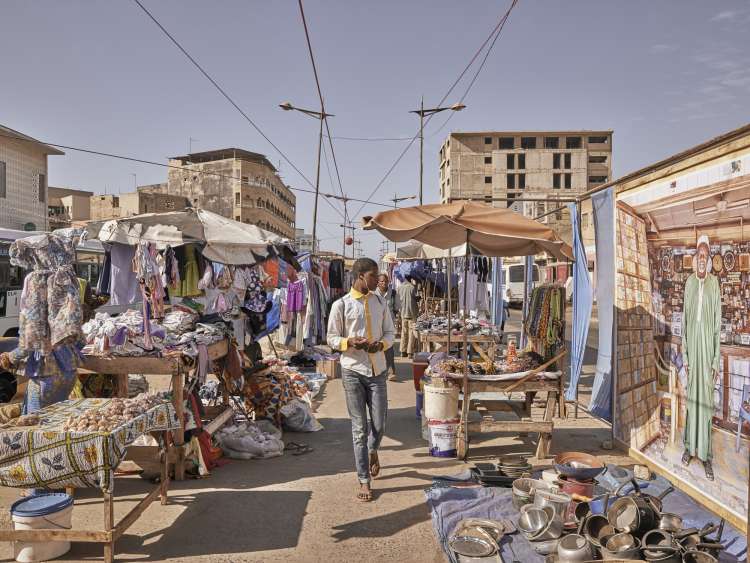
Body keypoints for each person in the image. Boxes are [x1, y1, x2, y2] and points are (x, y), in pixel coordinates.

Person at [327, 258, 395, 502]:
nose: (379, 280)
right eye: (374, 275)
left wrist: (381, 345)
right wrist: (348, 342)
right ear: (360, 276)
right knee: (359, 428)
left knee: (380, 424)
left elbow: (391, 333)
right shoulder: (341, 305)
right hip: (353, 371)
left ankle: (372, 449)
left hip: (377, 371)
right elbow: (332, 338)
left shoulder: (380, 302)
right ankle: (364, 480)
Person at [681, 235, 721, 481]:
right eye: (700, 256)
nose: (703, 260)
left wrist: (715, 359)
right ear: (696, 259)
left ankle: (705, 456)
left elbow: (717, 323)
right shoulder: (688, 283)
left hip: (707, 352)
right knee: (690, 400)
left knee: (705, 403)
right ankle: (688, 447)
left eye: (706, 256)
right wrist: (685, 354)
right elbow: (685, 322)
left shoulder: (715, 285)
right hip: (692, 352)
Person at [376, 273, 399, 380]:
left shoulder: (393, 293)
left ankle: (391, 371)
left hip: (389, 324)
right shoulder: (373, 294)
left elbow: (397, 307)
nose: (384, 283)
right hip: (376, 324)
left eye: (385, 281)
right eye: (381, 281)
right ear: (378, 282)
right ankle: (376, 371)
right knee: (376, 346)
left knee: (389, 347)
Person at [397, 276, 420, 358]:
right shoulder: (412, 287)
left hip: (403, 312)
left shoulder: (399, 287)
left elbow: (398, 299)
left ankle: (403, 351)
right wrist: (419, 298)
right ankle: (410, 352)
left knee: (404, 332)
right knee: (411, 333)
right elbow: (416, 297)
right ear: (411, 278)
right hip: (412, 312)